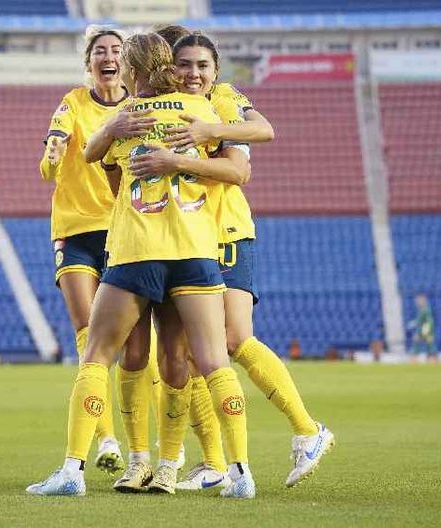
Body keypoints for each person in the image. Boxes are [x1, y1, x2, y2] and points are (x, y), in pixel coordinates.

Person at [27, 32, 255, 499]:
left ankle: (73, 470)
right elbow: (235, 164)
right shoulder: (201, 110)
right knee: (208, 361)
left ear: (132, 71)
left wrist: (112, 129)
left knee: (97, 354)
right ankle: (236, 472)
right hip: (194, 252)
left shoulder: (129, 114)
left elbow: (91, 156)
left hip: (136, 251)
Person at [116, 31, 335, 490]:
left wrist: (204, 136)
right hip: (187, 241)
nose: (192, 73)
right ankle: (214, 462)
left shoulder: (222, 100)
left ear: (216, 71)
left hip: (227, 234)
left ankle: (307, 429)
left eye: (202, 66)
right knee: (187, 354)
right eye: (183, 65)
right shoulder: (168, 107)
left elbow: (242, 164)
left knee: (232, 339)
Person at [39, 26, 144, 475]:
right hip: (75, 231)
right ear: (89, 62)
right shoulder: (73, 103)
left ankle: (147, 449)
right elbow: (52, 154)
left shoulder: (137, 107)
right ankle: (106, 439)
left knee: (137, 347)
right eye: (100, 51)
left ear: (126, 61)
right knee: (88, 334)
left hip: (123, 231)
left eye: (116, 50)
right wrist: (53, 155)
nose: (108, 56)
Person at [408, 293, 436, 360]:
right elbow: (420, 321)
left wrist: (423, 333)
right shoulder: (422, 310)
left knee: (427, 345)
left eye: (418, 301)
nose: (417, 302)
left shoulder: (425, 310)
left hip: (426, 330)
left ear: (423, 301)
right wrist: (415, 322)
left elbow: (428, 322)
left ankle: (415, 358)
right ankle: (430, 358)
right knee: (429, 345)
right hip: (425, 330)